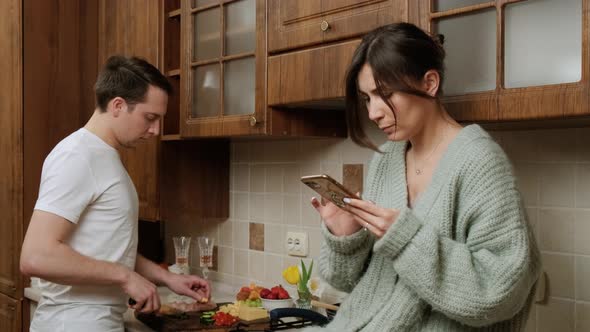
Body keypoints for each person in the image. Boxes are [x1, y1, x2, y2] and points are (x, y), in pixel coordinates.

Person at [307, 23, 541, 331]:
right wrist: (346, 236)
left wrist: (406, 239)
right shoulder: (385, 159)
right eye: (367, 99)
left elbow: (499, 292)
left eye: (384, 94)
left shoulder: (479, 162)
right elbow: (347, 282)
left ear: (430, 83)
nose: (374, 112)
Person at [20, 56, 211, 332]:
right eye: (150, 118)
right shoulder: (77, 156)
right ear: (118, 105)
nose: (155, 130)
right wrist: (125, 277)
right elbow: (35, 256)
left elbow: (108, 246)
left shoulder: (104, 157)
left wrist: (166, 277)